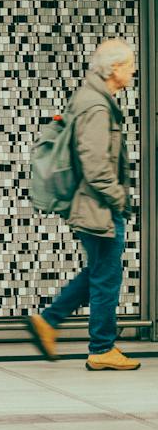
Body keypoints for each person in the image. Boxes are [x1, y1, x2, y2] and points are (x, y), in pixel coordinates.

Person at [26, 39, 141, 371]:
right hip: (98, 205)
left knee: (100, 271)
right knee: (106, 278)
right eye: (130, 64)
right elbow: (94, 164)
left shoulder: (92, 98)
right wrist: (119, 199)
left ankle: (49, 320)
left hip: (93, 203)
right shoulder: (97, 106)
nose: (133, 70)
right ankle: (102, 347)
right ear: (115, 68)